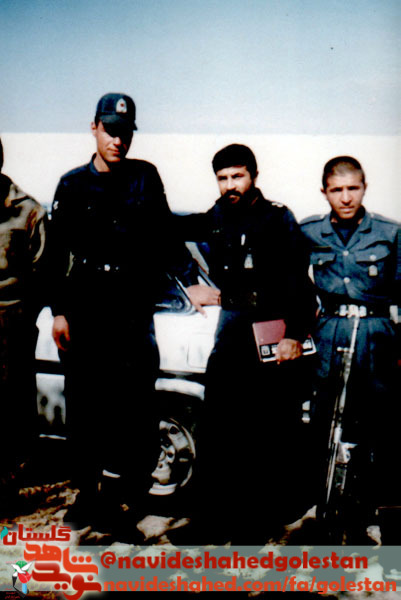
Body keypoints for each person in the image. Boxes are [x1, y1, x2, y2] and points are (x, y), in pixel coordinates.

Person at [49, 93, 199, 530]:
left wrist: (190, 280)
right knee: (85, 407)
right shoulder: (72, 185)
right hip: (87, 306)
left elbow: (167, 236)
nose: (118, 140)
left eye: (126, 132)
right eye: (111, 131)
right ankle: (86, 496)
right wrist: (60, 312)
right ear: (94, 128)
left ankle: (128, 502)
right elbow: (56, 254)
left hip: (132, 307)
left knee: (134, 408)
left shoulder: (144, 177)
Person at [175, 144, 317, 544]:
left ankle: (253, 525)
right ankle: (210, 520)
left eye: (237, 176)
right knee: (218, 426)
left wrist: (294, 334)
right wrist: (190, 281)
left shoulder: (277, 218)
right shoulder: (217, 215)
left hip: (269, 327)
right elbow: (169, 232)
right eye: (222, 178)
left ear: (253, 175)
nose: (230, 185)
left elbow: (299, 282)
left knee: (263, 430)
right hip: (232, 328)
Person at [301, 156, 401, 543]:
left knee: (378, 428)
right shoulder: (309, 231)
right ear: (324, 192)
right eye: (337, 190)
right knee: (326, 425)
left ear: (364, 188)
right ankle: (328, 513)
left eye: (352, 188)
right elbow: (293, 285)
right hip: (330, 335)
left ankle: (371, 516)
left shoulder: (390, 232)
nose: (345, 197)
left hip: (376, 337)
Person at [0, 138, 47, 494]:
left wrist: (20, 317)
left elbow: (42, 272)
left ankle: (12, 476)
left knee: (12, 404)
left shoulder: (28, 210)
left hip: (12, 321)